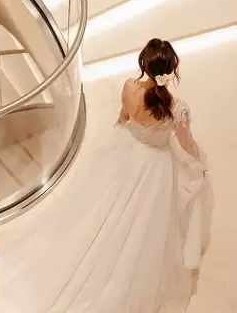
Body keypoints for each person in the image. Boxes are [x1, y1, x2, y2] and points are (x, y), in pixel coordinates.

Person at [50, 38, 211, 312]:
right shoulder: (176, 106)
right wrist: (199, 162)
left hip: (128, 151)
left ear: (143, 64)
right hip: (156, 165)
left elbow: (123, 118)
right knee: (147, 221)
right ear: (171, 69)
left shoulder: (128, 86)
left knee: (113, 209)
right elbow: (186, 144)